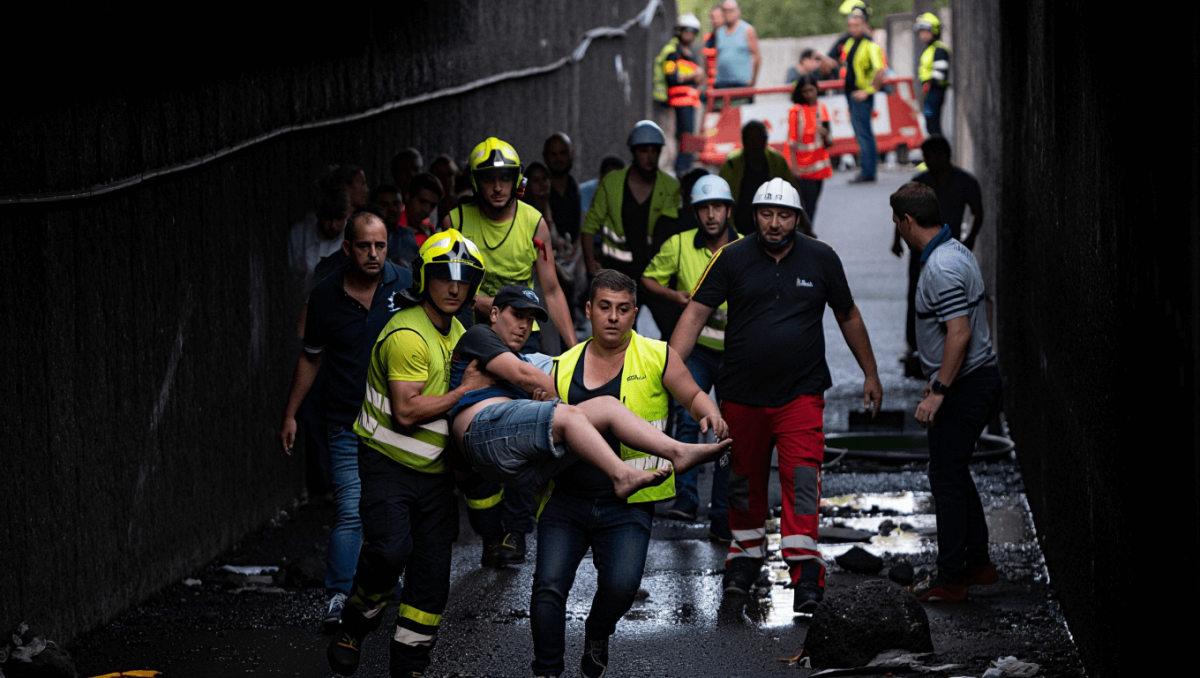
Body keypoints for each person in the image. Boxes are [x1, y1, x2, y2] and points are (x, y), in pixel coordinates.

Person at [671, 177, 883, 614]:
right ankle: (744, 560)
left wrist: (871, 373)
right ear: (753, 216)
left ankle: (805, 571)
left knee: (802, 479)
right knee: (743, 479)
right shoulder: (729, 258)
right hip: (741, 396)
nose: (774, 222)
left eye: (783, 215)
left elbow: (848, 315)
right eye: (766, 214)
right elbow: (694, 315)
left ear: (797, 218)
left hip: (800, 395)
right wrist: (669, 369)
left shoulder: (822, 258)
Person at [530, 270, 729, 678]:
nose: (613, 317)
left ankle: (598, 631)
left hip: (629, 503)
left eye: (623, 310)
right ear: (588, 310)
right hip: (566, 499)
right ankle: (547, 670)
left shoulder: (658, 355)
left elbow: (690, 393)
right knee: (548, 588)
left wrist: (708, 410)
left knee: (621, 588)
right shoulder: (561, 366)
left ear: (635, 313)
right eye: (604, 307)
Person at [326, 229, 493, 678]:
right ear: (425, 278)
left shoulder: (461, 331)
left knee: (433, 575)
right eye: (444, 277)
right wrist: (464, 392)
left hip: (435, 474)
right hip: (388, 464)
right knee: (389, 552)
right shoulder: (407, 333)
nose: (454, 287)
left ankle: (410, 664)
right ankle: (355, 621)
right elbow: (405, 412)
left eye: (464, 279)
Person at [449, 284, 728, 496]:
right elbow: (527, 377)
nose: (524, 326)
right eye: (517, 315)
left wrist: (546, 403)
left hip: (519, 467)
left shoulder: (522, 359)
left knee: (605, 407)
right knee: (570, 416)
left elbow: (533, 383)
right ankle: (621, 475)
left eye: (529, 320)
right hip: (481, 433)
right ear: (495, 314)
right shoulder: (479, 335)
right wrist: (555, 400)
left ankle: (676, 451)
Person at [444, 137, 579, 565]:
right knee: (465, 437)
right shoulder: (456, 219)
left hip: (523, 336)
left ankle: (515, 532)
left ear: (516, 181)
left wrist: (575, 348)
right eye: (489, 180)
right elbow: (442, 284)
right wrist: (483, 307)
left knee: (526, 433)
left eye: (505, 179)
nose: (498, 188)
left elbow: (552, 288)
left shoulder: (534, 222)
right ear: (475, 183)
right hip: (471, 339)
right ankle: (487, 529)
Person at [279, 211, 412, 632]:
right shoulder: (325, 296)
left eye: (381, 245)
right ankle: (340, 595)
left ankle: (397, 580)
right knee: (351, 508)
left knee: (399, 506)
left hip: (402, 421)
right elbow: (311, 356)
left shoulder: (408, 286)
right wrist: (290, 414)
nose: (374, 255)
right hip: (347, 421)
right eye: (365, 246)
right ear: (347, 248)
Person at [890, 182, 1001, 603]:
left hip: (967, 386)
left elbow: (959, 333)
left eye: (896, 220)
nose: (896, 228)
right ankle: (978, 564)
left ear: (908, 220)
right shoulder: (954, 251)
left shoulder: (939, 267)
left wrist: (939, 389)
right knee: (954, 471)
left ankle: (951, 578)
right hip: (973, 380)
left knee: (945, 477)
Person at [641, 174, 741, 541]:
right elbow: (648, 279)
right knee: (687, 419)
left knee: (728, 429)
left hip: (734, 354)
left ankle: (721, 516)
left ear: (728, 210)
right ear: (695, 213)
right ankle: (685, 498)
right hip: (695, 350)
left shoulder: (745, 248)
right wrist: (677, 297)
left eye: (717, 207)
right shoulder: (679, 244)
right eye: (704, 209)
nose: (711, 215)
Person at [581, 121, 681, 338]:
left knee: (674, 331)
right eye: (644, 150)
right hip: (618, 273)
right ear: (633, 152)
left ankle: (667, 371)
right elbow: (590, 227)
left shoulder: (670, 187)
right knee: (619, 335)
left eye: (655, 151)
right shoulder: (612, 183)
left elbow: (672, 233)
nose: (650, 156)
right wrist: (590, 264)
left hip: (656, 275)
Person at [892, 136, 984, 367]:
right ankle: (915, 344)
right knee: (917, 295)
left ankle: (947, 349)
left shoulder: (964, 182)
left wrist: (971, 236)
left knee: (950, 298)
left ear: (945, 155)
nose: (929, 161)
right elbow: (902, 215)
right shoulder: (920, 181)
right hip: (920, 251)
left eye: (932, 155)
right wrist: (897, 241)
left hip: (947, 248)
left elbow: (978, 211)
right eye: (926, 156)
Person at [838, 6, 887, 183]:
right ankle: (867, 170)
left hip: (861, 97)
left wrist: (869, 90)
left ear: (864, 25)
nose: (853, 29)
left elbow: (880, 70)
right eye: (850, 25)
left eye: (857, 25)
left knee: (864, 134)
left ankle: (868, 171)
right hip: (851, 95)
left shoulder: (871, 45)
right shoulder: (850, 43)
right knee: (861, 134)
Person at [719, 120, 793, 235]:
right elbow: (721, 199)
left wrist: (805, 225)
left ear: (765, 140)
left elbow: (793, 193)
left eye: (758, 139)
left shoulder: (777, 161)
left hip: (772, 229)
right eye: (750, 139)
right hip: (739, 229)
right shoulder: (732, 164)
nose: (754, 144)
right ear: (743, 141)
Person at [661, 13, 705, 178]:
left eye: (693, 32)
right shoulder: (673, 53)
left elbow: (698, 79)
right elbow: (671, 77)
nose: (690, 35)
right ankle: (681, 170)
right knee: (685, 137)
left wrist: (698, 76)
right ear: (679, 31)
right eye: (686, 31)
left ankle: (685, 167)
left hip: (691, 101)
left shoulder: (691, 54)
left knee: (689, 137)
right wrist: (692, 75)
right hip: (680, 102)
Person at [788, 73, 834, 232]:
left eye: (812, 90)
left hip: (819, 168)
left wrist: (825, 135)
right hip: (803, 169)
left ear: (817, 89)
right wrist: (794, 168)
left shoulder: (823, 109)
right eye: (805, 91)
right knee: (805, 210)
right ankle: (805, 238)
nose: (809, 94)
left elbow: (829, 143)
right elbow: (792, 142)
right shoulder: (796, 111)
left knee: (812, 207)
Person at [714, 0, 761, 106]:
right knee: (721, 118)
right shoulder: (719, 32)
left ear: (738, 11)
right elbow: (718, 56)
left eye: (730, 10)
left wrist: (753, 81)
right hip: (722, 84)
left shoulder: (747, 30)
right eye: (724, 11)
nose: (727, 14)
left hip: (741, 84)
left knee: (741, 118)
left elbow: (757, 57)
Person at [915, 12, 951, 137]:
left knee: (933, 123)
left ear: (934, 30)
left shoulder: (939, 49)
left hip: (935, 90)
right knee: (931, 124)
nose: (922, 35)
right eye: (920, 31)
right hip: (930, 89)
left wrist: (930, 86)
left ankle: (939, 153)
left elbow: (940, 73)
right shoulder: (930, 49)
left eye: (925, 31)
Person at [702, 6, 723, 92]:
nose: (715, 21)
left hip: (727, 84)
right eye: (713, 18)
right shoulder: (707, 38)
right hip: (711, 86)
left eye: (718, 18)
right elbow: (705, 63)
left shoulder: (733, 39)